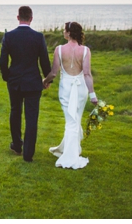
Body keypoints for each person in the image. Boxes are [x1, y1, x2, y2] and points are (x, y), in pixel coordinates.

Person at [0, 6, 52, 162]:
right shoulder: (38, 37)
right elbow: (44, 60)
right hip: (33, 82)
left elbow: (2, 61)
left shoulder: (9, 36)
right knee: (32, 117)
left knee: (15, 112)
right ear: (31, 18)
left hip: (14, 82)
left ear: (18, 17)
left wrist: (7, 76)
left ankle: (17, 145)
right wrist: (48, 79)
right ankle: (28, 154)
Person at [42, 21, 97, 169]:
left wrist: (44, 81)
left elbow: (53, 72)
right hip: (81, 89)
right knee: (75, 119)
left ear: (69, 33)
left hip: (66, 88)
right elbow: (87, 74)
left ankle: (70, 155)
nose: (63, 33)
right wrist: (92, 94)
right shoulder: (85, 50)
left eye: (64, 30)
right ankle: (71, 149)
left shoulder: (59, 49)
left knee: (71, 120)